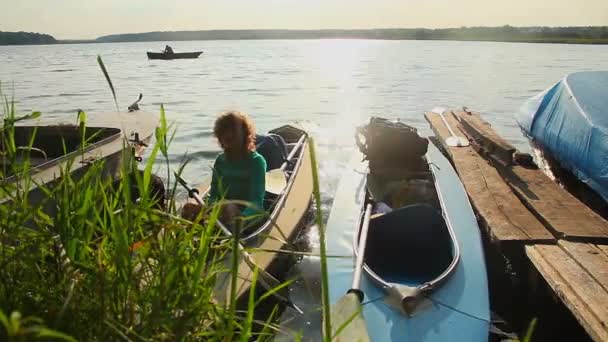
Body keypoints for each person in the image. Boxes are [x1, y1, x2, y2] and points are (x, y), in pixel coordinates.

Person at [182, 111, 267, 229]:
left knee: (228, 207)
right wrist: (210, 208)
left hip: (246, 214)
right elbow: (214, 194)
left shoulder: (256, 161)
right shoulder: (220, 160)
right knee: (188, 208)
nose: (228, 137)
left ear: (244, 134)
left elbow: (256, 202)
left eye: (233, 133)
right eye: (224, 133)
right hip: (222, 211)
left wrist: (242, 218)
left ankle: (228, 232)